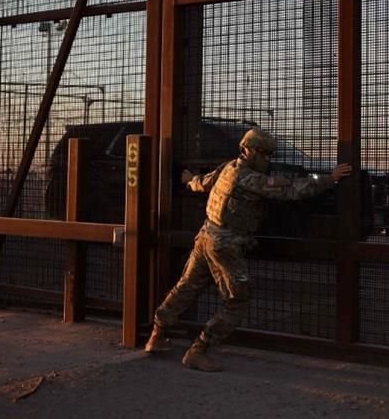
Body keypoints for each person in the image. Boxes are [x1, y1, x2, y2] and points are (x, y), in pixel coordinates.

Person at [144, 126, 352, 372]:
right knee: (238, 300)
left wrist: (189, 180)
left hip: (206, 237)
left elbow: (203, 183)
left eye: (269, 155)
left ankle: (157, 335)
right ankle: (199, 350)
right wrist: (330, 178)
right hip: (225, 245)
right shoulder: (248, 177)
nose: (266, 159)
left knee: (186, 287)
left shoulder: (229, 168)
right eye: (262, 153)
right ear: (247, 150)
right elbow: (291, 190)